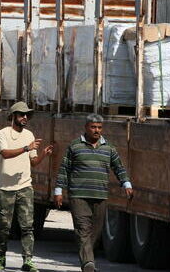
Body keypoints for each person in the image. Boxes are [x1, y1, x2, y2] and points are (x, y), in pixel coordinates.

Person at [54, 114, 133, 272]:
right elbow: (64, 169)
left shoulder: (108, 148)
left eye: (99, 127)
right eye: (93, 127)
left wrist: (126, 183)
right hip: (78, 195)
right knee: (83, 229)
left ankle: (87, 259)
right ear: (86, 127)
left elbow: (118, 167)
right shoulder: (75, 146)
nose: (96, 130)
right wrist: (58, 190)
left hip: (100, 196)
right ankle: (88, 264)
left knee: (95, 232)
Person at [0, 102, 53, 272]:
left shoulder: (29, 135)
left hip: (25, 187)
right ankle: (1, 258)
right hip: (6, 188)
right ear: (13, 116)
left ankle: (28, 260)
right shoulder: (3, 133)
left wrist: (43, 154)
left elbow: (33, 162)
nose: (25, 118)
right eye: (21, 114)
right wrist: (27, 148)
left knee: (27, 226)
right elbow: (5, 154)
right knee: (4, 227)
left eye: (27, 115)